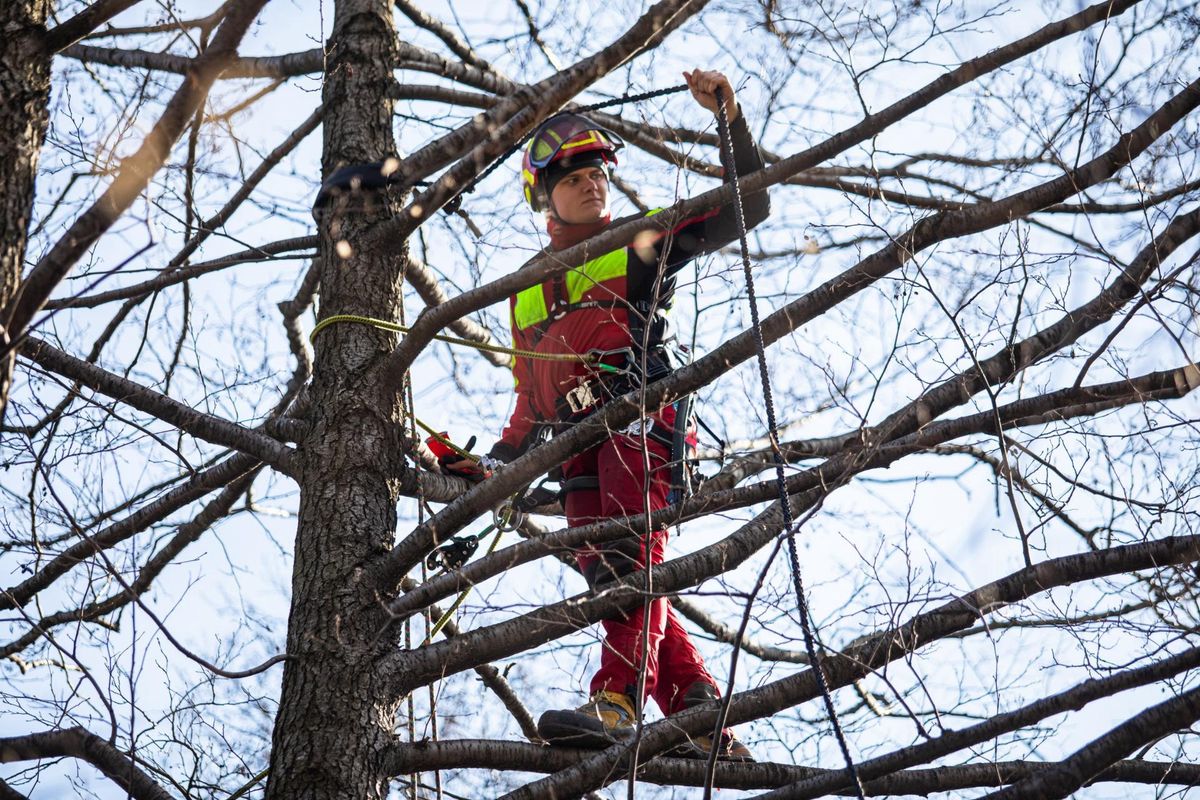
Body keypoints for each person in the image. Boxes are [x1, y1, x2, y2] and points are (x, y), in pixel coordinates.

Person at [444, 69, 769, 760]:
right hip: (573, 445)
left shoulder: (640, 239)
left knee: (629, 556)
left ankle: (616, 704)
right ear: (544, 194)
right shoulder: (525, 289)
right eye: (573, 177)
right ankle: (698, 714)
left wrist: (728, 119)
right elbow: (529, 408)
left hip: (636, 415)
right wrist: (484, 472)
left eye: (598, 172)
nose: (593, 184)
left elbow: (748, 207)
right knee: (613, 581)